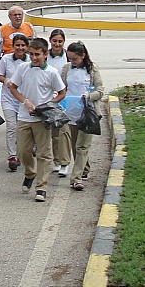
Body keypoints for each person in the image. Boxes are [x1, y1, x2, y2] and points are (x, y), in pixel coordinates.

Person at [8, 37, 66, 202]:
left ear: (45, 54)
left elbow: (62, 92)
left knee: (44, 153)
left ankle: (42, 187)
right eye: (31, 54)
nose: (34, 58)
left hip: (42, 118)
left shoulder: (51, 73)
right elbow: (13, 87)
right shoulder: (23, 68)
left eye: (37, 55)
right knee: (23, 151)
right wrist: (24, 101)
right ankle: (29, 173)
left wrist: (49, 104)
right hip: (24, 116)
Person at [60, 41, 104, 191]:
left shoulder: (92, 70)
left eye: (75, 59)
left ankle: (76, 178)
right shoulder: (66, 69)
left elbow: (100, 90)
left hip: (87, 113)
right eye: (70, 58)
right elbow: (61, 87)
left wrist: (89, 96)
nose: (72, 61)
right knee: (74, 146)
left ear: (83, 56)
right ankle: (84, 168)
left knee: (82, 147)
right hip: (71, 112)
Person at [0, 33, 29, 171]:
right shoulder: (6, 59)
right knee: (11, 127)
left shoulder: (30, 61)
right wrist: (6, 80)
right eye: (17, 45)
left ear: (26, 47)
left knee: (22, 130)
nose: (20, 48)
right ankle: (12, 156)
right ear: (13, 46)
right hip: (9, 98)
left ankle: (21, 154)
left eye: (23, 45)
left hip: (24, 100)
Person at [46, 28, 70, 177]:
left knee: (63, 131)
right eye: (54, 41)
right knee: (53, 132)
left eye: (60, 41)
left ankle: (64, 163)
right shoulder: (44, 55)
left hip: (63, 97)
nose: (57, 44)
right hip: (48, 97)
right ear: (50, 41)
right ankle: (56, 161)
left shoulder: (67, 56)